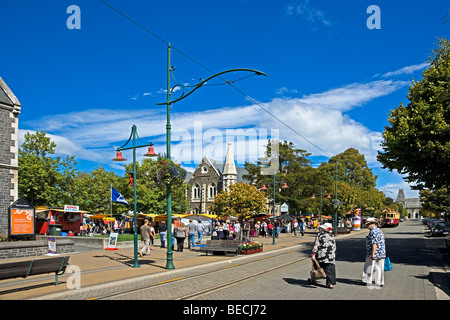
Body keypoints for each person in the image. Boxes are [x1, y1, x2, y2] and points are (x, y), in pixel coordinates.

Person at [309, 222, 336, 289]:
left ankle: (314, 280)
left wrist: (313, 254)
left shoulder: (320, 235)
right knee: (330, 270)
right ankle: (329, 284)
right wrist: (333, 254)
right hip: (330, 256)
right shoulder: (331, 236)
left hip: (321, 255)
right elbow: (334, 246)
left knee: (316, 267)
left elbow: (316, 245)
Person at [361, 218, 386, 287]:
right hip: (381, 252)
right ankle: (380, 282)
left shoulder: (373, 232)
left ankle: (366, 280)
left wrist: (373, 253)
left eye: (368, 224)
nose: (367, 226)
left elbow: (374, 244)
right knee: (380, 267)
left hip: (373, 252)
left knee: (369, 266)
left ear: (372, 224)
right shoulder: (379, 231)